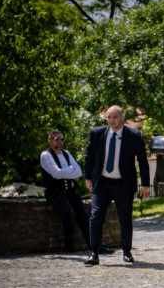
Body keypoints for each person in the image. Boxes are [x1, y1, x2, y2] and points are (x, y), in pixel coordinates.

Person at [83, 105, 150, 265]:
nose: (112, 120)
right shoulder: (97, 133)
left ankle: (127, 251)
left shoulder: (133, 135)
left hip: (123, 183)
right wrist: (87, 177)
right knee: (96, 216)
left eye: (115, 117)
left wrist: (145, 184)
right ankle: (94, 253)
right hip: (102, 182)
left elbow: (142, 161)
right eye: (109, 117)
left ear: (122, 117)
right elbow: (89, 155)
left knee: (125, 218)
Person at [40, 130, 101, 253]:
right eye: (56, 139)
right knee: (69, 214)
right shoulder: (46, 155)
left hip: (70, 191)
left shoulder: (66, 153)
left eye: (61, 138)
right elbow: (56, 174)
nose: (59, 141)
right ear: (49, 141)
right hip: (55, 192)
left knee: (84, 216)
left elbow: (78, 172)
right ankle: (69, 247)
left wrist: (67, 171)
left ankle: (94, 246)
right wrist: (70, 169)